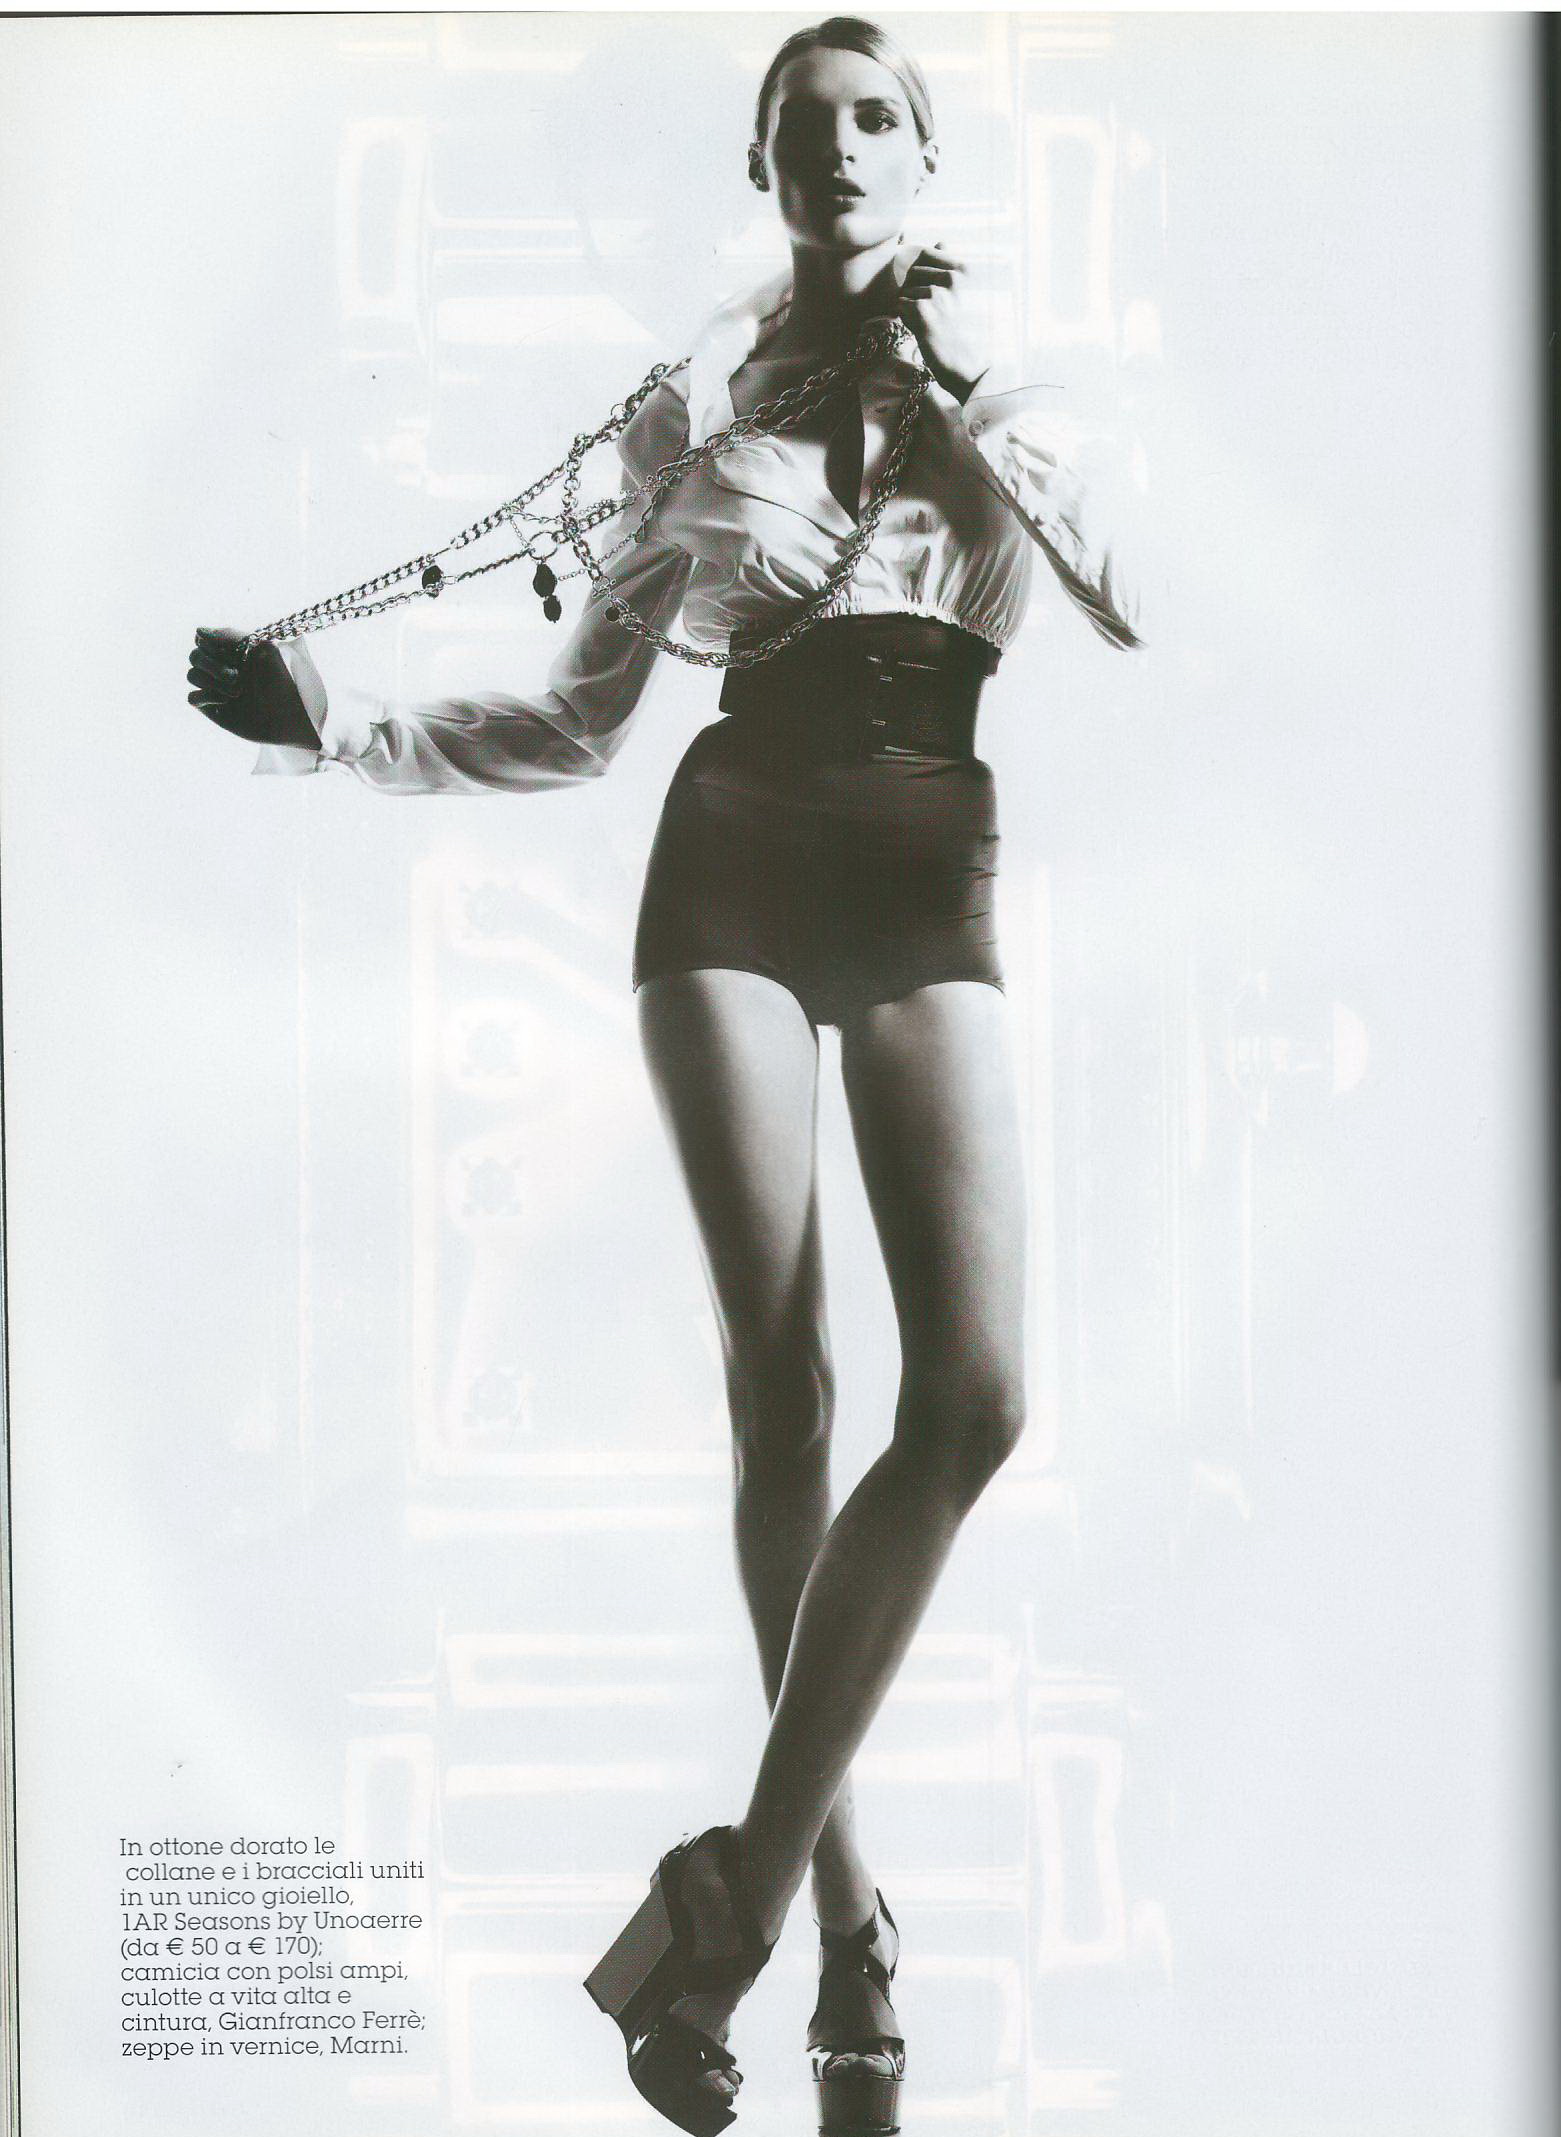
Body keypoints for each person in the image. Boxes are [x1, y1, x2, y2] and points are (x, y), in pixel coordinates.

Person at [187, 16, 1148, 2134]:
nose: (840, 149)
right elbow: (577, 716)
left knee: (974, 1400)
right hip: (728, 859)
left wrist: (958, 379)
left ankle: (733, 1900)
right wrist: (330, 722)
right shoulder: (691, 402)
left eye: (876, 118)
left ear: (924, 153)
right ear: (762, 167)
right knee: (780, 1384)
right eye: (801, 126)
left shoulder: (1013, 371)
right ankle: (846, 1927)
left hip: (927, 855)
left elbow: (1126, 597)